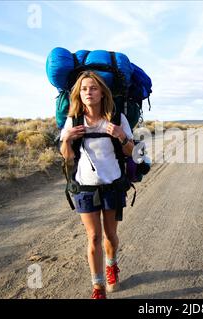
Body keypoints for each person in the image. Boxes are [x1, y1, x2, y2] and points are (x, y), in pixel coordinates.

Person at [60, 70, 134, 299]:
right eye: (83, 89)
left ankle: (112, 267)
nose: (88, 92)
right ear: (78, 94)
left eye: (93, 88)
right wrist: (66, 139)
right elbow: (67, 158)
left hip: (112, 184)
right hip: (85, 187)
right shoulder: (73, 121)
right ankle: (98, 287)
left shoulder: (117, 118)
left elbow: (132, 152)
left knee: (110, 235)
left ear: (102, 92)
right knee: (93, 237)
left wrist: (121, 136)